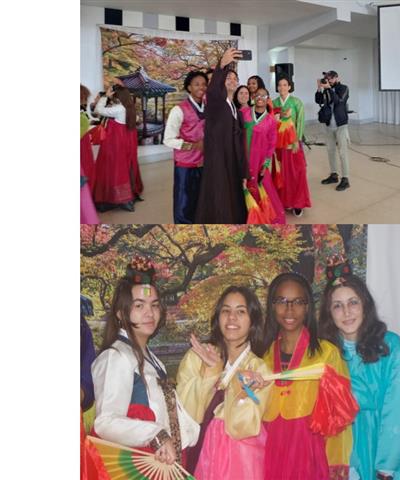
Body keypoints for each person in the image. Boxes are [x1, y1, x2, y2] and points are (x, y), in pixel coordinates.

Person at [319, 270, 400, 480]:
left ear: (365, 305)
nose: (346, 312)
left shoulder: (390, 346)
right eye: (337, 305)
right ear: (329, 313)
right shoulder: (325, 353)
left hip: (387, 441)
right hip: (345, 445)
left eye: (353, 302)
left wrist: (388, 466)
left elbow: (399, 406)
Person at [91, 257, 199, 467]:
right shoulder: (117, 356)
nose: (149, 313)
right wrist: (155, 434)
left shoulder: (150, 356)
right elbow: (105, 422)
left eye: (154, 305)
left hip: (160, 462)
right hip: (138, 462)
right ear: (121, 313)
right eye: (139, 305)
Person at [261, 272, 358, 480]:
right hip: (270, 456)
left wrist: (336, 467)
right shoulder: (263, 358)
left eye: (298, 301)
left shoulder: (327, 354)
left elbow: (339, 419)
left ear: (307, 307)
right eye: (281, 301)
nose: (289, 309)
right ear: (272, 306)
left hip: (311, 457)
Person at [177, 286, 271, 478]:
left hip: (243, 463)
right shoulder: (197, 356)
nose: (232, 318)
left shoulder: (258, 369)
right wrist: (211, 373)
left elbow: (245, 427)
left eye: (241, 311)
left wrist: (240, 391)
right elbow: (183, 414)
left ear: (252, 319)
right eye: (226, 310)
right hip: (197, 454)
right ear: (218, 316)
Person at [195, 47, 248, 223]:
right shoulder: (217, 102)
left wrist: (244, 171)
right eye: (228, 78)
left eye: (235, 78)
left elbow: (240, 142)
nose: (232, 80)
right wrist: (222, 64)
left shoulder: (235, 109)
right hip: (219, 159)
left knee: (233, 195)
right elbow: (212, 91)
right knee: (219, 195)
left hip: (232, 160)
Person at [163, 71, 207, 224]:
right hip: (185, 165)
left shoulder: (208, 107)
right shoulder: (179, 110)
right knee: (184, 204)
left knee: (201, 202)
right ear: (189, 87)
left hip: (204, 164)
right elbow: (167, 139)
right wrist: (193, 145)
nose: (201, 87)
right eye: (196, 84)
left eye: (203, 84)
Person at [91, 84, 143, 212]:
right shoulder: (129, 108)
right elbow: (136, 120)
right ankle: (127, 197)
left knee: (114, 170)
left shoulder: (119, 109)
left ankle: (118, 198)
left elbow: (98, 110)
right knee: (125, 168)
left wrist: (105, 96)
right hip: (127, 144)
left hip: (116, 144)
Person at [241, 87, 287, 224]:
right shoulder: (244, 113)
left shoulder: (271, 121)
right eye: (257, 95)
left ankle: (263, 217)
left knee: (261, 186)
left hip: (260, 161)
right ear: (253, 97)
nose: (260, 98)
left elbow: (271, 145)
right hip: (244, 158)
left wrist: (265, 164)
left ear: (268, 99)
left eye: (263, 95)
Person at [272, 76, 311, 217]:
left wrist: (297, 140)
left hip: (292, 144)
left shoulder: (296, 103)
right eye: (279, 85)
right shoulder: (273, 102)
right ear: (277, 87)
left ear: (289, 87)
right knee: (281, 174)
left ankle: (297, 203)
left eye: (284, 85)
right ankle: (283, 202)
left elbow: (300, 122)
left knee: (297, 173)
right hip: (278, 145)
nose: (282, 87)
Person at [315, 71, 351, 191]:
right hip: (329, 125)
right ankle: (334, 174)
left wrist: (329, 88)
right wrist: (319, 89)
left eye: (330, 78)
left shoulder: (343, 88)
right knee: (330, 151)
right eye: (326, 78)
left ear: (337, 78)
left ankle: (345, 179)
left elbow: (338, 101)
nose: (328, 80)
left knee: (342, 152)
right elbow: (318, 101)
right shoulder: (326, 89)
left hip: (341, 125)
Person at [80, 85, 99, 224]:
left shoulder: (81, 111)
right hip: (82, 146)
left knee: (88, 171)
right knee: (86, 172)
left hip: (84, 145)